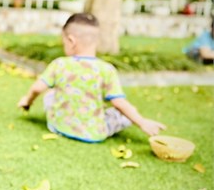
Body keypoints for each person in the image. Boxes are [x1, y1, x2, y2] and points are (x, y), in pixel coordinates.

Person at [17, 13, 165, 143]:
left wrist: (27, 101)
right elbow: (118, 102)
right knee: (124, 113)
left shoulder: (59, 64)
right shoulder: (106, 70)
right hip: (94, 133)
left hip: (58, 127)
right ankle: (130, 115)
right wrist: (142, 122)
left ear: (71, 41)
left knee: (50, 95)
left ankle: (63, 120)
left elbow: (37, 88)